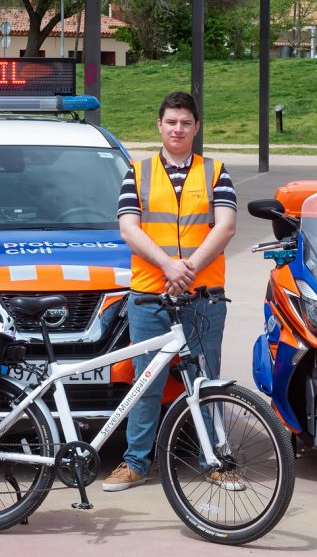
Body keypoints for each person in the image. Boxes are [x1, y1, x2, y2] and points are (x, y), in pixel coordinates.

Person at [102, 91, 237, 492]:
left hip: (203, 295)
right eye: (171, 122)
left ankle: (213, 460)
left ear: (196, 128)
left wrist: (187, 268)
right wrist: (167, 266)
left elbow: (226, 226)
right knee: (147, 382)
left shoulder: (215, 171)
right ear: (159, 125)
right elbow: (129, 227)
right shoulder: (137, 173)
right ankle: (135, 463)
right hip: (149, 295)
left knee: (206, 381)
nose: (178, 128)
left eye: (185, 122)